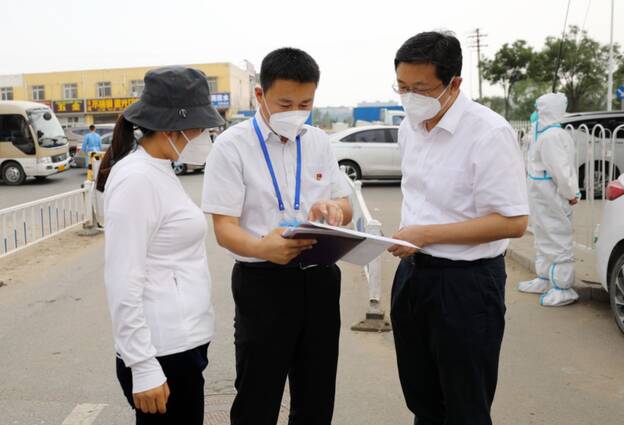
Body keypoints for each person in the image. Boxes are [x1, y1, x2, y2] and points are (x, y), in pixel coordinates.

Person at [201, 47, 353, 425]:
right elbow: (224, 228)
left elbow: (345, 206)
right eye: (285, 103)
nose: (296, 112)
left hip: (319, 278)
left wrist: (335, 211)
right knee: (258, 393)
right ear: (259, 95)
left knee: (317, 394)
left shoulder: (317, 141)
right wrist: (262, 248)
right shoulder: (231, 146)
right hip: (262, 283)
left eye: (306, 103)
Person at [386, 32, 529, 425]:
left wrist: (426, 234)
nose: (410, 97)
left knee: (465, 404)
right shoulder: (408, 128)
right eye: (402, 87)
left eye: (421, 88)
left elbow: (513, 221)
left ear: (455, 83)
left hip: (466, 286)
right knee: (422, 398)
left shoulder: (488, 132)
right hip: (413, 277)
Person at [98, 66, 224, 424]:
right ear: (173, 128)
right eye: (201, 127)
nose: (205, 135)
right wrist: (142, 365)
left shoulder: (160, 168)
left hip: (182, 346)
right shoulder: (137, 179)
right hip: (161, 353)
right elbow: (123, 278)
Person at [517, 92, 580, 306]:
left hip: (552, 194)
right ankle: (545, 278)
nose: (535, 113)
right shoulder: (543, 133)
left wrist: (571, 194)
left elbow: (561, 171)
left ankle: (563, 288)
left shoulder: (553, 136)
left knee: (557, 237)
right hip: (541, 194)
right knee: (543, 236)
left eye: (538, 109)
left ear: (547, 110)